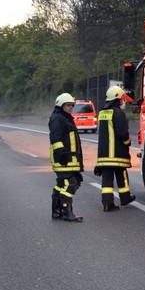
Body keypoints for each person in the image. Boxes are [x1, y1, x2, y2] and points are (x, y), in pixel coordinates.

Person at [95, 85, 136, 212]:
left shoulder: (102, 113)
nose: (123, 101)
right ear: (117, 99)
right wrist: (128, 142)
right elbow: (122, 133)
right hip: (118, 154)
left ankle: (107, 204)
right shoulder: (118, 113)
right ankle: (125, 198)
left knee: (107, 180)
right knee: (122, 175)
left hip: (104, 155)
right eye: (122, 99)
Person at [49, 92, 84, 223]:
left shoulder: (64, 118)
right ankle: (67, 212)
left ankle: (56, 211)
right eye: (68, 105)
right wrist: (61, 156)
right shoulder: (58, 119)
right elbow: (56, 138)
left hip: (68, 159)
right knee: (70, 184)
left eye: (72, 105)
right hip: (63, 160)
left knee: (61, 184)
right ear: (61, 105)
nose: (71, 108)